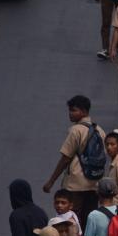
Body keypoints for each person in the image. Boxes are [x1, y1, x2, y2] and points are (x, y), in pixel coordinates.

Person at [43, 96, 107, 229]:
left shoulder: (76, 130)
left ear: (83, 112)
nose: (70, 114)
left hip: (75, 185)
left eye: (73, 110)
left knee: (71, 220)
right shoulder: (99, 130)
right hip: (94, 183)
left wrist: (51, 181)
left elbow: (66, 158)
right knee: (88, 221)